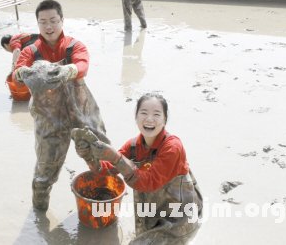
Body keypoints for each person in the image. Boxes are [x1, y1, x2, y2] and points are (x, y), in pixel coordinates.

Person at [12, 0, 110, 211]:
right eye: (43, 22)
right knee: (44, 172)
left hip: (82, 113)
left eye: (53, 21)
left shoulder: (75, 46)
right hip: (48, 119)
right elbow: (17, 73)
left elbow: (83, 64)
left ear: (62, 20)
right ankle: (39, 214)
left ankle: (106, 198)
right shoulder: (30, 51)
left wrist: (70, 70)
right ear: (38, 24)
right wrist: (20, 72)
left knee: (100, 155)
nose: (49, 27)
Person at [71, 93, 202, 245]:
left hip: (179, 218)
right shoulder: (133, 146)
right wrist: (89, 157)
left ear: (165, 119)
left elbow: (149, 182)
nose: (149, 119)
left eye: (156, 114)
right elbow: (107, 171)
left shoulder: (173, 148)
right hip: (151, 213)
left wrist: (115, 157)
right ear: (136, 117)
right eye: (144, 113)